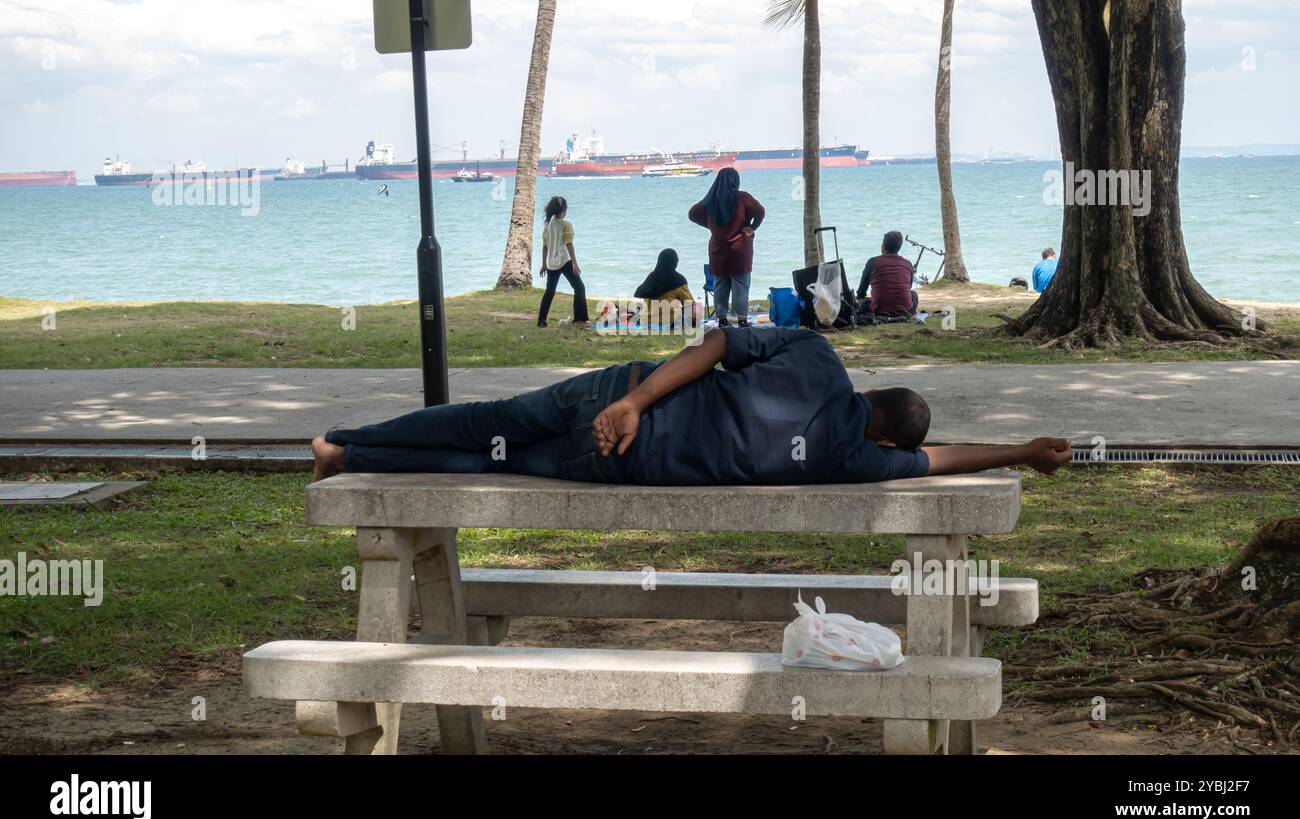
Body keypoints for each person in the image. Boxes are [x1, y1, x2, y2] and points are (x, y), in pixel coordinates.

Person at [311, 327, 1072, 486]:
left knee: (480, 423)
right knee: (484, 462)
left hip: (612, 398)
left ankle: (339, 441)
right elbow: (940, 459)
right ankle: (348, 459)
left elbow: (711, 344)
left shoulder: (815, 352)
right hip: (621, 460)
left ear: (868, 392)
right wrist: (1023, 453)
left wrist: (637, 400)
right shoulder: (856, 461)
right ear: (882, 434)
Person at [688, 167, 764, 327]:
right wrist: (752, 228)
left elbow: (692, 213)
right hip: (740, 250)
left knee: (720, 285)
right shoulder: (743, 198)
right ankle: (742, 320)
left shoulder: (710, 200)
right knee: (741, 285)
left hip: (718, 250)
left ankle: (722, 320)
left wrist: (711, 226)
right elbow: (760, 211)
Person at [537, 196, 590, 328]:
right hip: (565, 261)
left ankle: (541, 321)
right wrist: (575, 263)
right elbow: (569, 244)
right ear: (562, 210)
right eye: (565, 209)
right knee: (579, 287)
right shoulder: (565, 224)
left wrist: (543, 264)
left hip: (551, 263)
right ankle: (579, 320)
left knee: (550, 291)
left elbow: (545, 246)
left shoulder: (547, 224)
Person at [632, 247, 696, 332]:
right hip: (669, 322)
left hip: (646, 321)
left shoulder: (652, 277)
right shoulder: (679, 280)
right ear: (674, 262)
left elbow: (639, 292)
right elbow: (689, 303)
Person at [857, 230, 918, 316]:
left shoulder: (872, 262)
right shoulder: (908, 264)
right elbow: (908, 287)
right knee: (914, 295)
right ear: (899, 247)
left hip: (878, 311)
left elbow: (861, 292)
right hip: (904, 310)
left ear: (883, 246)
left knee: (862, 302)